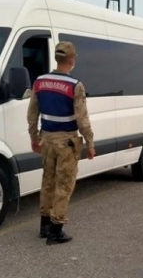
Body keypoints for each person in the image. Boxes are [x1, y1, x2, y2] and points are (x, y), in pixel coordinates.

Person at [27, 41, 95, 245]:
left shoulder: (39, 82)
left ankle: (44, 225)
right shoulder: (75, 85)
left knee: (47, 182)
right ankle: (56, 232)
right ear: (72, 61)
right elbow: (82, 119)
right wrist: (90, 142)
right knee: (64, 185)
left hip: (46, 140)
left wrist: (34, 137)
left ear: (57, 59)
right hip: (66, 143)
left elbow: (32, 115)